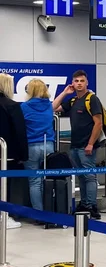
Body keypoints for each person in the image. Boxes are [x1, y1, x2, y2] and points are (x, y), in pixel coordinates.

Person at [52, 70, 104, 219]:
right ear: (73, 83)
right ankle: (85, 203)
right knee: (81, 176)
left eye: (82, 81)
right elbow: (53, 108)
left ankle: (92, 206)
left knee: (89, 176)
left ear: (87, 82)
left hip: (86, 146)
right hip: (74, 145)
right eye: (76, 81)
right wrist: (65, 92)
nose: (79, 83)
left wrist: (90, 143)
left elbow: (98, 123)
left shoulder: (92, 99)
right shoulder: (74, 101)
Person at [21, 79, 55, 213]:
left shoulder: (24, 106)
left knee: (35, 182)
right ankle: (51, 210)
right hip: (48, 145)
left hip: (31, 146)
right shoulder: (49, 106)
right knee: (49, 180)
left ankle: (38, 214)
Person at [0, 73, 27, 229]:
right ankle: (5, 215)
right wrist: (23, 155)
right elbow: (19, 132)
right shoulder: (11, 105)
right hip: (7, 156)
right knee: (5, 185)